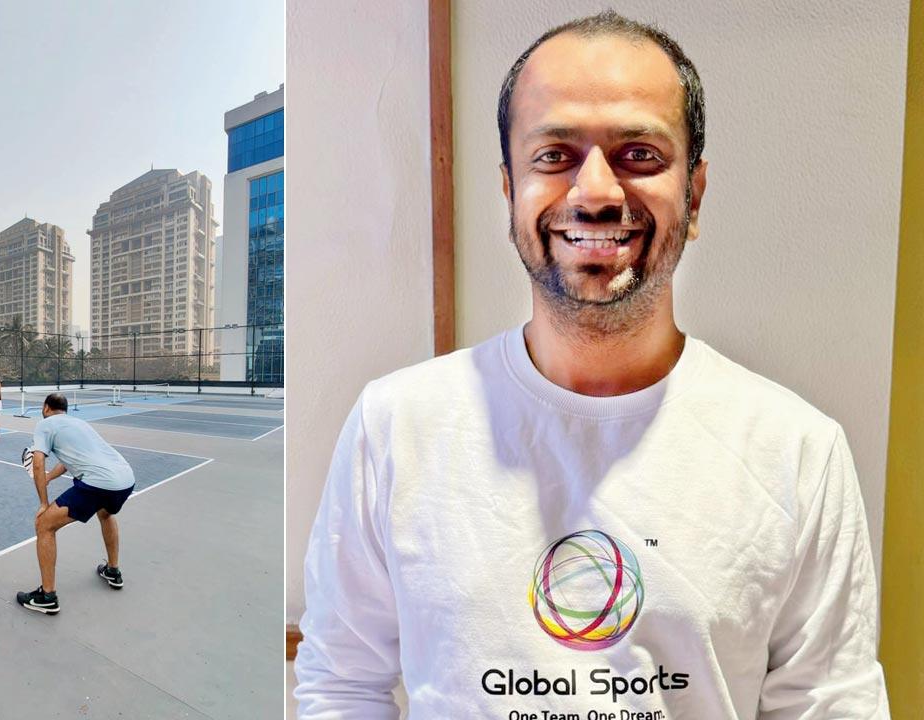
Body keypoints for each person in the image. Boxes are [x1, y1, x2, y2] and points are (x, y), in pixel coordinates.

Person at [294, 11, 888, 719]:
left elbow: (830, 707)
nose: (597, 193)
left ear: (694, 195)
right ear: (510, 191)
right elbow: (341, 684)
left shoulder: (797, 452)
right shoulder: (395, 427)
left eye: (640, 153)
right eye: (554, 155)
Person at [16, 392, 136, 615]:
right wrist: (50, 478)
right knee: (106, 513)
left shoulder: (45, 424)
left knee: (44, 525)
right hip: (126, 479)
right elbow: (67, 460)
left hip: (99, 482)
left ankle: (47, 596)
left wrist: (43, 503)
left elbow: (38, 461)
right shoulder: (79, 423)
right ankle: (113, 570)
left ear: (45, 408)